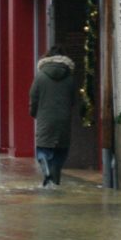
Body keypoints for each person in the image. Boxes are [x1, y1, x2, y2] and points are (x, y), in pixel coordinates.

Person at [29, 45, 78, 188]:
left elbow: (33, 97)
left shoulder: (40, 76)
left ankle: (45, 165)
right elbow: (73, 100)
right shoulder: (69, 78)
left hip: (45, 118)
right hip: (63, 119)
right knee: (60, 151)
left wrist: (33, 113)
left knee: (43, 147)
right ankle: (54, 181)